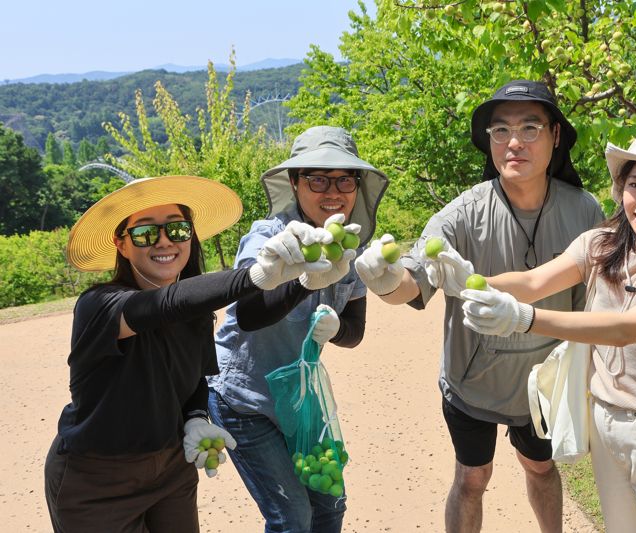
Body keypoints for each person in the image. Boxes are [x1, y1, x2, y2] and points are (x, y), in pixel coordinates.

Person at [354, 80, 604, 532]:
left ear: (556, 136)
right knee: (472, 478)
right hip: (472, 381)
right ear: (488, 140)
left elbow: (596, 307)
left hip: (542, 384)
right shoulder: (463, 214)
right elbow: (415, 281)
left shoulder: (584, 211)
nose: (514, 142)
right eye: (500, 130)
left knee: (541, 468)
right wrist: (385, 281)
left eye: (530, 128)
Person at [459, 127, 636, 532]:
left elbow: (623, 330)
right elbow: (533, 282)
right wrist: (460, 278)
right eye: (635, 184)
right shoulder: (601, 246)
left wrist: (524, 318)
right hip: (607, 428)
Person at [44, 175, 335, 532]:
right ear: (121, 244)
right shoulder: (99, 306)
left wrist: (196, 417)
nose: (164, 241)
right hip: (97, 480)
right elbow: (163, 305)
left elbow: (195, 377)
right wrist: (257, 275)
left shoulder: (196, 310)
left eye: (178, 230)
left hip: (172, 469)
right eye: (145, 233)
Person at [208, 126, 389, 533]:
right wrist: (303, 282)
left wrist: (335, 328)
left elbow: (354, 331)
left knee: (329, 508)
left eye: (345, 179)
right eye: (317, 178)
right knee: (292, 517)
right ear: (294, 182)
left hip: (300, 401)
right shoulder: (269, 238)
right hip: (243, 399)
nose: (333, 191)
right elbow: (251, 314)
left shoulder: (350, 245)